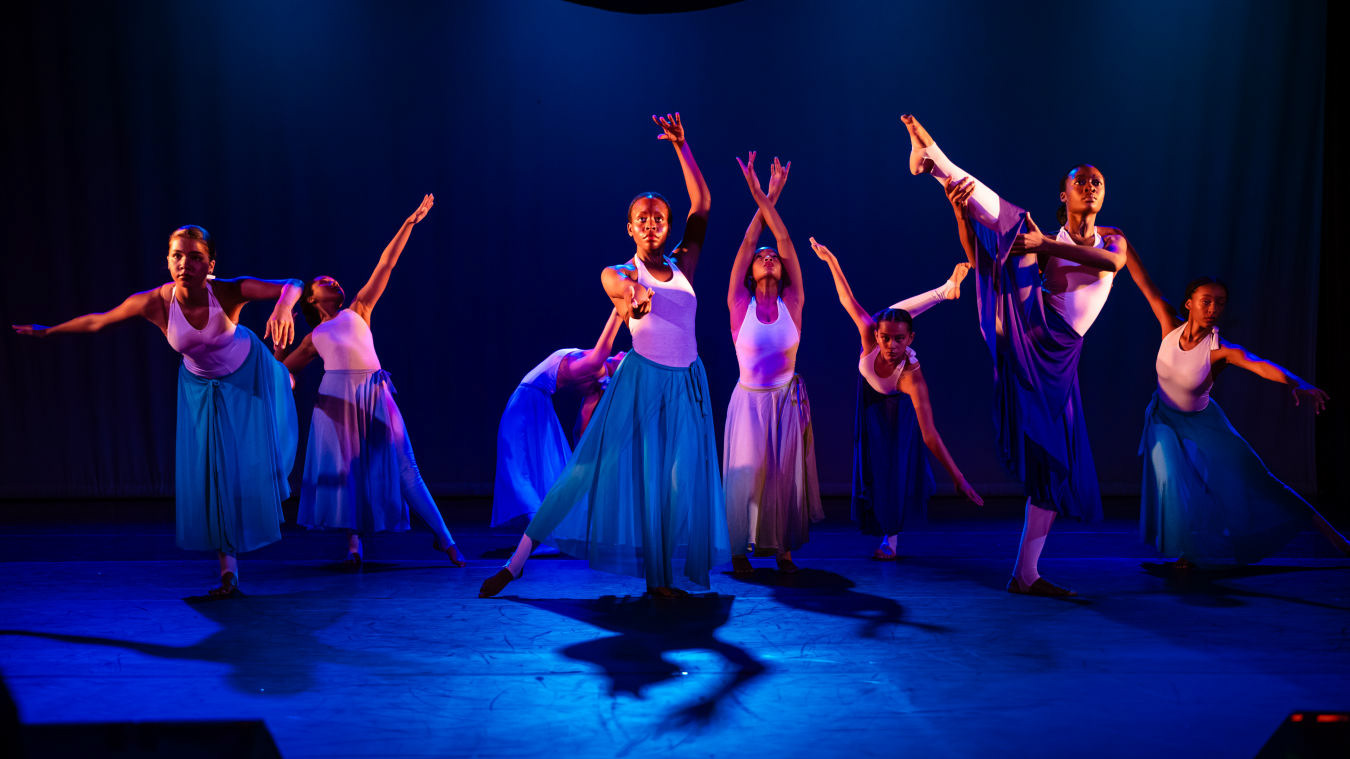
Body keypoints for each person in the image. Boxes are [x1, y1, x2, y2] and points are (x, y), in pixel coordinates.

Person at [906, 113, 1160, 596]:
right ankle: (935, 162)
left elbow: (1112, 264)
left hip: (1060, 358)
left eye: (1097, 182)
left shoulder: (1112, 238)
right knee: (1015, 228)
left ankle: (1026, 573)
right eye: (1080, 182)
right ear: (1064, 195)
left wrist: (1044, 243)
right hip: (1031, 328)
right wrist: (962, 215)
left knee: (1053, 461)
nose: (1090, 187)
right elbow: (981, 260)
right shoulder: (1045, 241)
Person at [479, 112, 729, 598]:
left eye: (659, 218)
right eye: (643, 219)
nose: (651, 224)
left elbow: (702, 203)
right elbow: (623, 291)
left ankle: (660, 579)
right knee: (587, 468)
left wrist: (681, 146)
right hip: (642, 382)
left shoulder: (684, 264)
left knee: (676, 482)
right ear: (630, 228)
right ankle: (517, 561)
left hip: (687, 383)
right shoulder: (619, 272)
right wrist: (636, 300)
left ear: (667, 226)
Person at [13, 226, 301, 597]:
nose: (185, 264)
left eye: (195, 257)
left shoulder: (227, 291)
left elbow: (293, 284)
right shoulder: (155, 303)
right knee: (217, 472)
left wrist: (283, 306)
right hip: (202, 387)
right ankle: (228, 570)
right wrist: (49, 331)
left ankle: (281, 373)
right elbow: (99, 320)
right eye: (177, 256)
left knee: (269, 435)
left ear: (210, 265)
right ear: (167, 260)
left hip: (248, 369)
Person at [281, 195, 466, 567]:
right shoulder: (313, 338)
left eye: (334, 280)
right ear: (312, 299)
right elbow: (282, 371)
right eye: (325, 281)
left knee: (407, 467)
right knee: (348, 470)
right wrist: (280, 355)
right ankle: (353, 544)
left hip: (374, 392)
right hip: (336, 401)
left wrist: (409, 222)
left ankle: (445, 539)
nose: (334, 281)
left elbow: (387, 263)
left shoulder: (358, 309)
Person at [1134, 276, 1346, 565]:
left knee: (1259, 478)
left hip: (1203, 422)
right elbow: (1144, 281)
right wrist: (1121, 248)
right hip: (1163, 419)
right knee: (1169, 478)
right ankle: (1186, 550)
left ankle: (1336, 537)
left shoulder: (1220, 350)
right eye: (1206, 301)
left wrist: (1296, 382)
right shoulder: (1169, 325)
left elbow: (1259, 364)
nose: (1213, 308)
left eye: (1220, 303)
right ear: (1189, 304)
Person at [809, 237, 983, 559]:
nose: (891, 346)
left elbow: (930, 436)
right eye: (885, 338)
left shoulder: (911, 376)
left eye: (899, 340)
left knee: (892, 468)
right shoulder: (870, 335)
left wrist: (958, 479)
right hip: (869, 397)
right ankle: (945, 291)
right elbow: (846, 299)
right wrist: (831, 260)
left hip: (895, 405)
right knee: (885, 313)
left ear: (911, 339)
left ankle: (890, 538)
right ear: (877, 337)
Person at [723, 152, 822, 574]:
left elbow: (783, 240)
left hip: (786, 402)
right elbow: (749, 243)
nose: (768, 257)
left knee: (783, 477)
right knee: (746, 476)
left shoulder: (792, 303)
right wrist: (763, 195)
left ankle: (782, 550)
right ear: (750, 271)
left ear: (782, 270)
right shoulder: (738, 304)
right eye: (761, 257)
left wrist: (768, 197)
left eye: (774, 257)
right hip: (748, 402)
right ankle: (738, 550)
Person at [490, 309, 625, 540]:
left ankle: (539, 535)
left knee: (516, 470)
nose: (625, 353)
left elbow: (602, 352)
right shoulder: (597, 379)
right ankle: (544, 532)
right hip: (537, 405)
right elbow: (579, 429)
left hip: (527, 402)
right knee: (527, 470)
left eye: (627, 359)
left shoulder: (594, 371)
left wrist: (619, 311)